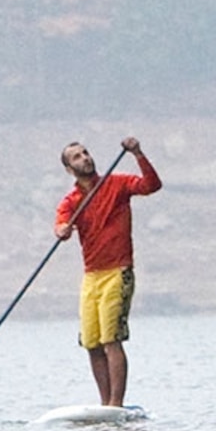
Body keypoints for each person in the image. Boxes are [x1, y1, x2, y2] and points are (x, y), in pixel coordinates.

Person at [53, 138, 161, 408]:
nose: (85, 158)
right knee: (91, 342)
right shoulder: (72, 200)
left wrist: (138, 153)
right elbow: (61, 223)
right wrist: (63, 230)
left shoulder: (117, 183)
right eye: (77, 157)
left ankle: (116, 404)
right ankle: (104, 404)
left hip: (118, 271)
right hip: (91, 276)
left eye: (86, 153)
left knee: (110, 339)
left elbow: (151, 185)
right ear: (69, 169)